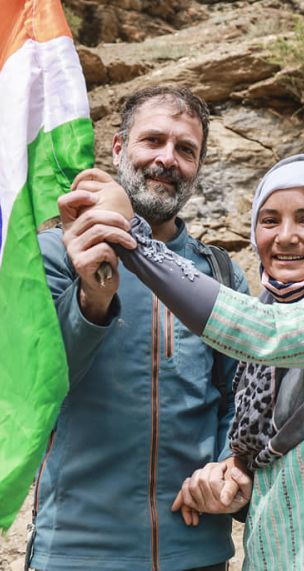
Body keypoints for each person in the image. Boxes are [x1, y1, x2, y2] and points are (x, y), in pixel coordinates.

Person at [62, 154, 304, 570]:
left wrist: (132, 237)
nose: (285, 237)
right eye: (269, 220)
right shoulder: (265, 336)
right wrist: (231, 477)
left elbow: (264, 333)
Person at [27, 85, 249, 571]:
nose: (167, 159)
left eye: (186, 149)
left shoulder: (220, 274)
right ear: (117, 148)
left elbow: (244, 398)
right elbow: (36, 384)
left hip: (196, 552)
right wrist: (92, 297)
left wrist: (228, 464)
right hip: (77, 551)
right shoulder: (56, 254)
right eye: (153, 140)